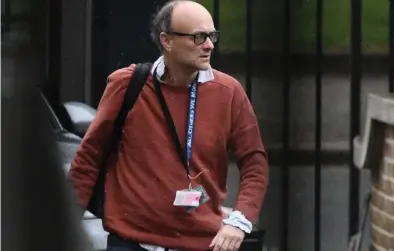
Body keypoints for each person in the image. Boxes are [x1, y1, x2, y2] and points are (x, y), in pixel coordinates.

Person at [69, 1, 269, 250]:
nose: (209, 45)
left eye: (211, 36)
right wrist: (65, 229)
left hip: (200, 243)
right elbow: (89, 158)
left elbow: (255, 162)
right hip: (130, 243)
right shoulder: (127, 85)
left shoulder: (228, 92)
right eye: (198, 37)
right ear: (167, 41)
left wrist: (239, 221)